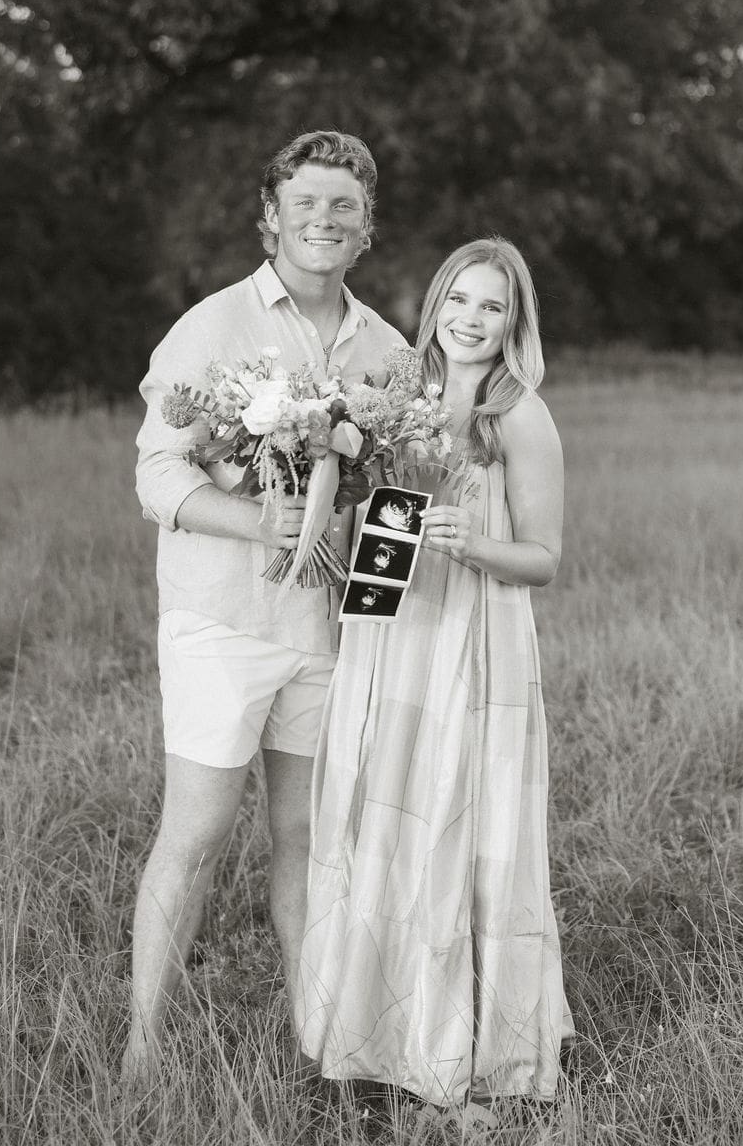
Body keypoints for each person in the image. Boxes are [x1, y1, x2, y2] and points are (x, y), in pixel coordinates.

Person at [124, 130, 406, 1084]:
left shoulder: (390, 349)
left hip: (330, 634)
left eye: (343, 207)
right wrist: (261, 525)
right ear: (270, 217)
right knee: (196, 836)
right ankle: (141, 1054)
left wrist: (381, 564)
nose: (323, 220)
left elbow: (400, 493)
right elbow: (158, 472)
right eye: (306, 203)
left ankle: (314, 1038)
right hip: (224, 623)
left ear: (367, 227)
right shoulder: (211, 330)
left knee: (309, 841)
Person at [296, 236, 573, 1113]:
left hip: (473, 637)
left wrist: (474, 542)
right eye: (459, 299)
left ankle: (471, 1051)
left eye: (491, 306)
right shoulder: (394, 397)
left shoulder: (518, 416)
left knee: (462, 822)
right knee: (384, 819)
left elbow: (545, 559)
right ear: (436, 303)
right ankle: (377, 1034)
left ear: (512, 321)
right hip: (393, 635)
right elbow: (363, 518)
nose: (470, 319)